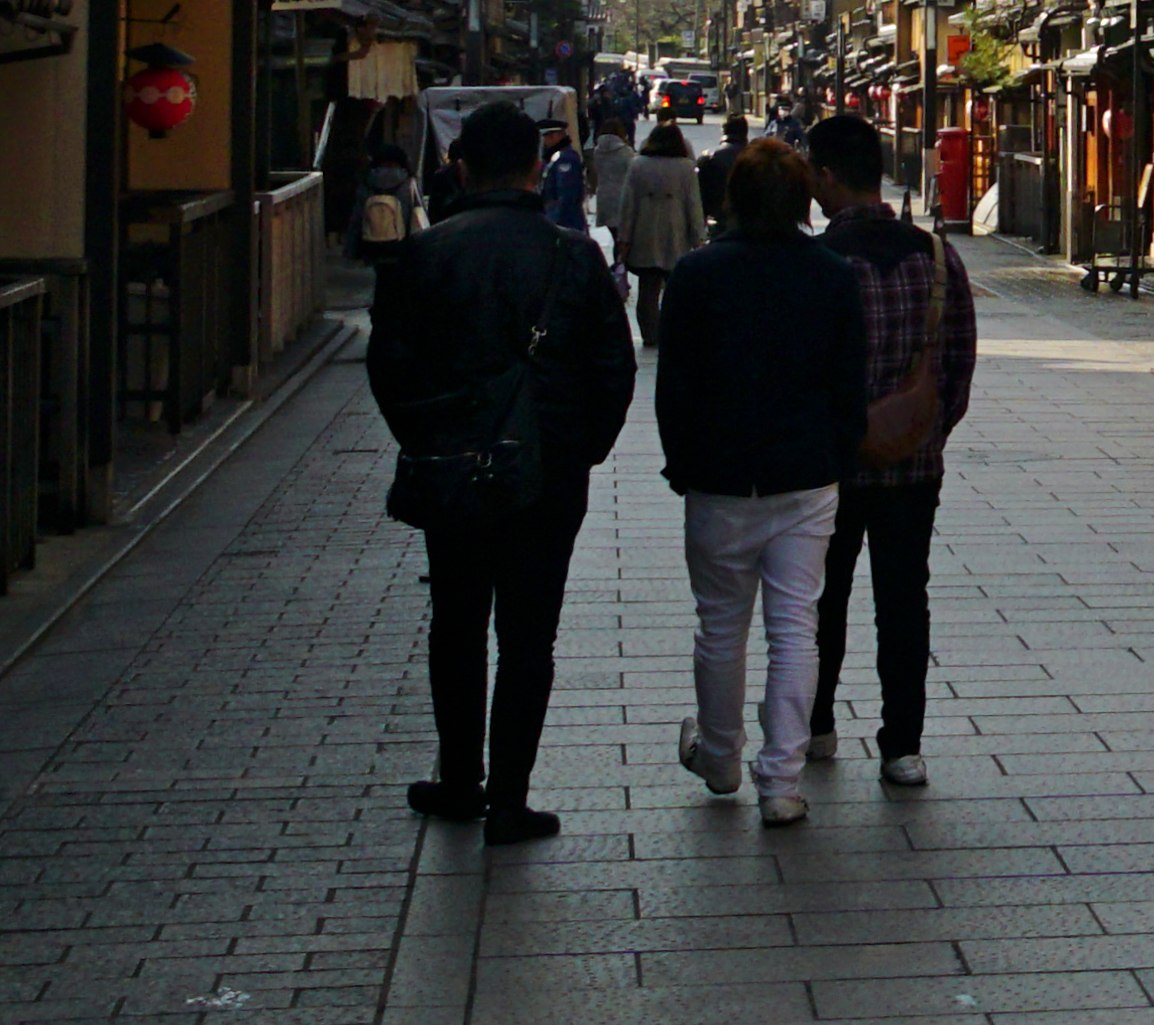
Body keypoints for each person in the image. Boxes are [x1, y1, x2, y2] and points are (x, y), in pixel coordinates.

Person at [361, 103, 631, 849]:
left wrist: (427, 436)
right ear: (537, 169)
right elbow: (614, 368)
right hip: (546, 471)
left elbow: (388, 364)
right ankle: (510, 800)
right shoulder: (572, 255)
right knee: (527, 637)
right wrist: (578, 448)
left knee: (456, 624)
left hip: (451, 468)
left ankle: (459, 780)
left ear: (459, 166)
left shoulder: (425, 253)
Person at [654, 136, 856, 825]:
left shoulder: (697, 274)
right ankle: (781, 783)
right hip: (805, 475)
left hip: (717, 473)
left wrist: (680, 460)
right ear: (802, 201)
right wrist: (839, 453)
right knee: (796, 627)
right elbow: (848, 385)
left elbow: (672, 384)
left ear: (732, 199)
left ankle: (718, 757)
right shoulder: (831, 275)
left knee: (720, 625)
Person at [800, 115, 978, 782]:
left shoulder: (816, 263)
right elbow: (957, 361)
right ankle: (902, 743)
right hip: (913, 467)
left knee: (822, 599)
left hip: (829, 467)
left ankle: (817, 726)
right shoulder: (935, 256)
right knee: (905, 600)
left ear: (825, 175)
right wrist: (924, 435)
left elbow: (801, 371)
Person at [614, 118, 706, 348]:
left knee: (647, 289)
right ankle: (673, 331)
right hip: (676, 235)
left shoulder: (638, 165)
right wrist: (699, 239)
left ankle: (649, 334)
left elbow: (627, 206)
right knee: (676, 289)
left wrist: (624, 239)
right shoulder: (685, 168)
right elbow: (694, 206)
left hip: (645, 235)